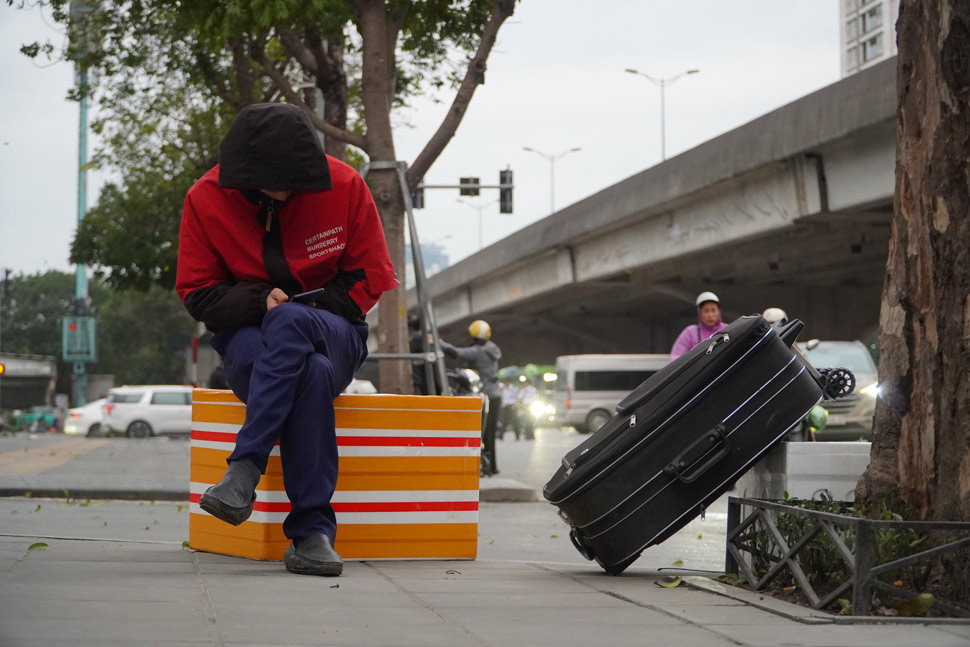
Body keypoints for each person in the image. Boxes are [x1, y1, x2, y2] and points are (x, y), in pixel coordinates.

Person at [175, 103, 397, 577]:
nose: (285, 189)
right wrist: (260, 301)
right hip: (248, 339)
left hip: (334, 332)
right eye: (272, 182)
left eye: (295, 180)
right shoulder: (204, 198)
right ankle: (312, 534)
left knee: (293, 324)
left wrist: (300, 307)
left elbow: (368, 279)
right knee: (310, 372)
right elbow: (198, 294)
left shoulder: (346, 185)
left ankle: (244, 468)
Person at [440, 320, 502, 475]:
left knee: (482, 431)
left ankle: (485, 465)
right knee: (490, 433)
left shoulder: (479, 351)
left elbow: (457, 353)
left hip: (484, 395)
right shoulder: (492, 348)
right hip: (495, 394)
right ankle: (492, 466)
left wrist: (439, 343)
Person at [670, 291, 729, 361]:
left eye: (713, 310)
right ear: (700, 313)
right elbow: (676, 356)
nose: (710, 315)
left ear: (719, 312)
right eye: (706, 311)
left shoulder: (727, 330)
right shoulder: (690, 332)